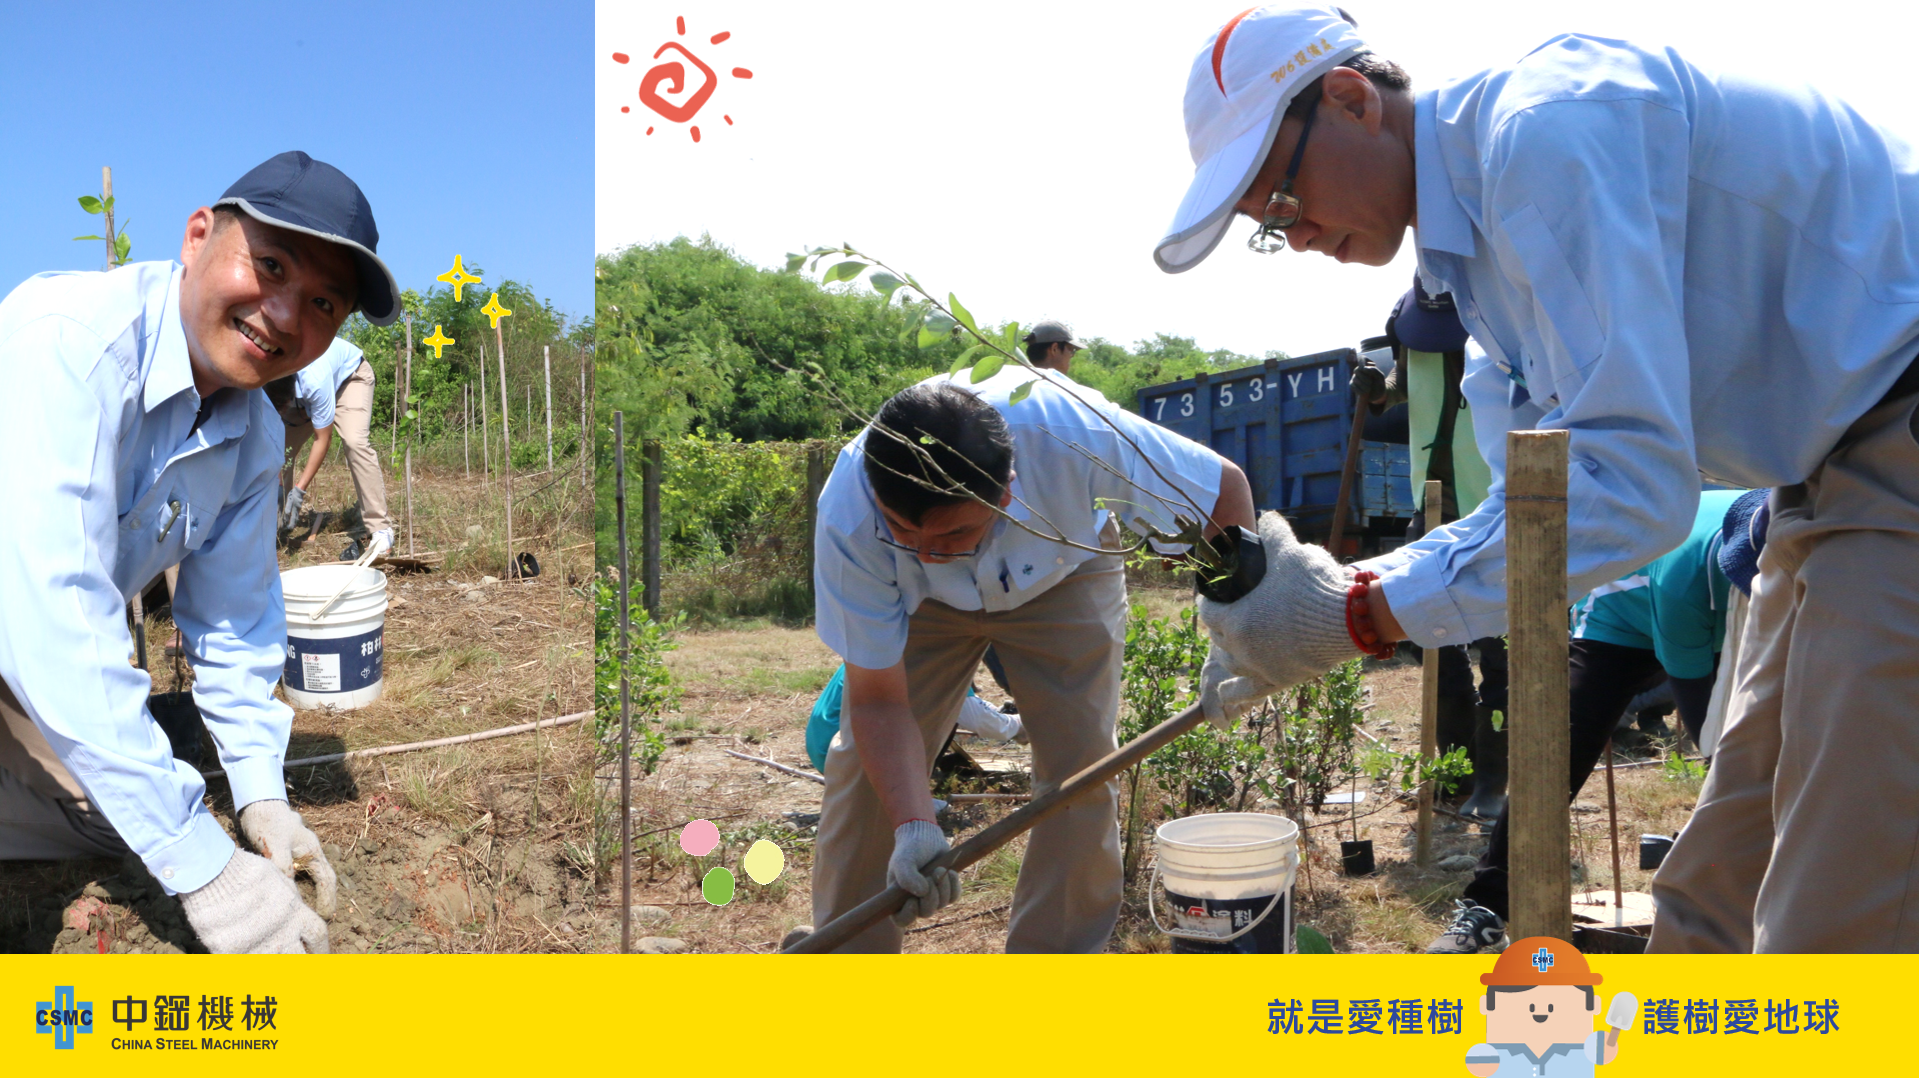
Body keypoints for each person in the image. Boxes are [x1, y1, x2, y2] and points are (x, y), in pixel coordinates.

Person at [1158, 5, 1919, 952]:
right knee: (1725, 868)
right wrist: (1350, 592)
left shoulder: (1545, 132)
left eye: (1279, 198)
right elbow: (1533, 502)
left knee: (1842, 900)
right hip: (1824, 468)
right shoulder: (1470, 255)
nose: (1296, 234)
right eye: (1267, 229)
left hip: (1893, 424)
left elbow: (1629, 484)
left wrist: (1354, 616)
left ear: (1350, 100)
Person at [0, 151, 403, 954]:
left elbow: (234, 620)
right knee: (148, 811)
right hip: (26, 628)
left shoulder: (252, 435)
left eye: (322, 302)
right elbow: (49, 613)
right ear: (195, 238)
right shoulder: (67, 342)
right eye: (270, 266)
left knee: (115, 811)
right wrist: (205, 869)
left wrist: (260, 796)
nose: (283, 315)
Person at [811, 363, 1254, 952]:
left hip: (1065, 570)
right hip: (917, 604)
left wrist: (1235, 635)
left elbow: (1221, 490)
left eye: (951, 535)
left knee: (1080, 772)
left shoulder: (1077, 435)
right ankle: (846, 971)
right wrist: (915, 825)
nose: (926, 553)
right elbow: (877, 702)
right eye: (900, 529)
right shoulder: (851, 514)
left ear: (1007, 491)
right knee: (868, 780)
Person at [1431, 489, 1747, 954]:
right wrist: (1732, 775)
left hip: (1719, 617)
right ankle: (1488, 907)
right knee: (1556, 758)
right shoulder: (1685, 583)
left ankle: (1759, 904)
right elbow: (1704, 721)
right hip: (1619, 622)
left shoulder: (1806, 544)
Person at [1357, 281, 1507, 821]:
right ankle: (1458, 770)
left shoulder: (1503, 311)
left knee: (1501, 649)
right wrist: (1379, 390)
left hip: (1495, 500)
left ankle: (1495, 781)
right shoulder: (1410, 318)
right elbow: (1405, 380)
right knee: (1432, 643)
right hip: (1433, 502)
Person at [268, 335, 392, 560]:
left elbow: (322, 439)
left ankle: (380, 528)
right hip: (299, 396)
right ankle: (275, 523)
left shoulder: (314, 378)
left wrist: (299, 491)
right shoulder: (268, 377)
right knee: (278, 454)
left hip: (349, 379)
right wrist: (277, 484)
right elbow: (273, 441)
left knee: (354, 442)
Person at [1465, 937, 1623, 1076]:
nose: (1541, 1012)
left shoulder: (1586, 1051)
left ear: (1594, 1005)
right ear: (1486, 1005)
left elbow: (1607, 1053)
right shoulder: (1492, 1055)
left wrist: (1611, 1041)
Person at [1021, 319, 1087, 375]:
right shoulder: (1060, 385)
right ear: (1054, 349)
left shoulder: (1018, 379)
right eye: (1070, 350)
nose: (1071, 356)